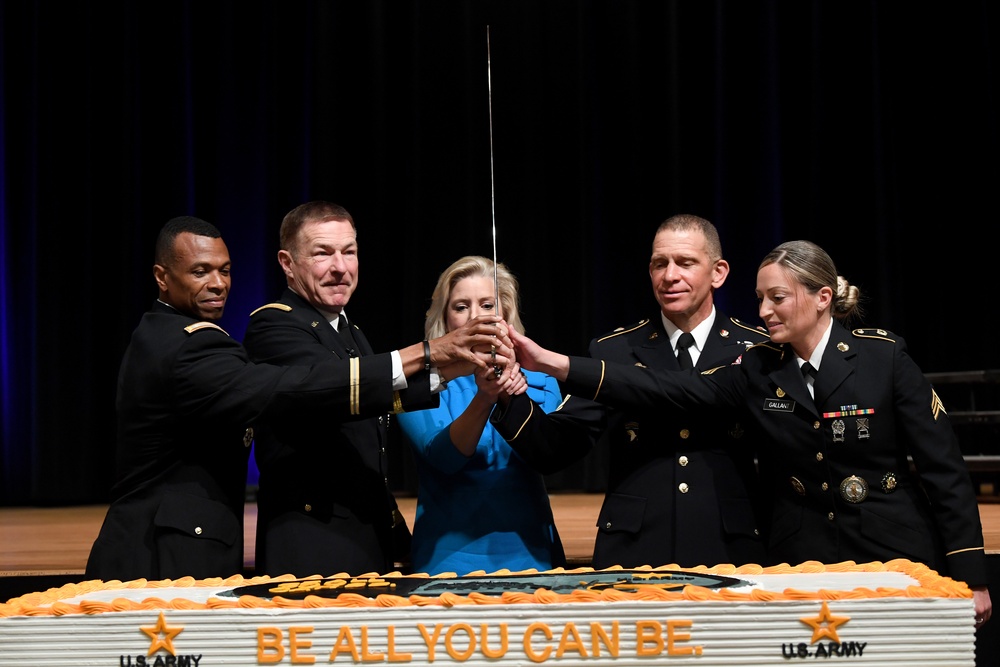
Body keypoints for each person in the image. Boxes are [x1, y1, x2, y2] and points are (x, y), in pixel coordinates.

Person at [511, 239, 992, 628]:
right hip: (802, 556)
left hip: (891, 547)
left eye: (777, 298)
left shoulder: (883, 359)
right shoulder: (759, 367)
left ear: (823, 297)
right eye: (760, 298)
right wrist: (554, 364)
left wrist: (972, 576)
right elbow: (672, 390)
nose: (763, 311)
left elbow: (943, 471)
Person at [85, 216, 510, 582]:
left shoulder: (348, 333)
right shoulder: (194, 343)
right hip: (165, 555)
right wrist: (427, 352)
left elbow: (365, 403)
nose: (218, 284)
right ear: (162, 277)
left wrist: (449, 368)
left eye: (225, 270)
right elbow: (294, 393)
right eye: (200, 271)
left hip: (199, 544)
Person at [242, 202, 512, 578]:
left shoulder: (349, 332)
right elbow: (332, 388)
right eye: (323, 253)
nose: (340, 267)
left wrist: (457, 369)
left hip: (366, 538)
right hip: (310, 545)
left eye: (349, 252)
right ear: (287, 263)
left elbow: (376, 399)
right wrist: (433, 351)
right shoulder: (273, 325)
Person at [489, 214, 770, 569]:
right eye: (659, 264)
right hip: (635, 550)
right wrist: (506, 394)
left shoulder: (757, 349)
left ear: (718, 272)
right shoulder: (614, 351)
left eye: (686, 263)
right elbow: (555, 449)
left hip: (730, 545)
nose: (670, 276)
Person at [396, 256, 569, 575]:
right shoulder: (417, 384)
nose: (476, 317)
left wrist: (510, 397)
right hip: (448, 564)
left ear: (504, 313)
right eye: (461, 307)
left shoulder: (541, 380)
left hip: (532, 559)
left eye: (487, 305)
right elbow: (444, 458)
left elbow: (547, 455)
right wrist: (485, 398)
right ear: (445, 318)